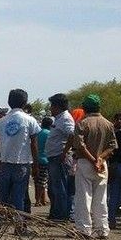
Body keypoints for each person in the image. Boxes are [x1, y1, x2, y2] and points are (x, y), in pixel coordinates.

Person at [0, 89, 40, 235]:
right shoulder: (30, 120)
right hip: (22, 163)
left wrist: (0, 159)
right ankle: (19, 227)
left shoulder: (1, 121)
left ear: (9, 102)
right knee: (19, 196)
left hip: (5, 162)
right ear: (25, 103)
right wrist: (36, 164)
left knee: (2, 195)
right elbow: (33, 144)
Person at [71, 94, 117, 238]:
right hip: (103, 165)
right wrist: (100, 159)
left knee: (84, 197)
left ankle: (83, 229)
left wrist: (93, 160)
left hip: (85, 163)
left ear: (84, 108)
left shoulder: (82, 124)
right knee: (101, 198)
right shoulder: (108, 124)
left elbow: (80, 146)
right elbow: (112, 146)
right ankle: (102, 229)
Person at [45, 93, 75, 221]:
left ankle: (61, 216)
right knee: (54, 188)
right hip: (54, 157)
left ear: (57, 106)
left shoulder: (65, 118)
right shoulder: (58, 118)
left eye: (52, 105)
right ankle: (57, 213)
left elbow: (72, 135)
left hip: (60, 157)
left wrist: (64, 152)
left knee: (60, 188)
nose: (50, 108)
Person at [35, 116, 53, 206]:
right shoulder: (49, 134)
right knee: (42, 182)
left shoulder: (38, 132)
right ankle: (38, 201)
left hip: (37, 159)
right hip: (45, 160)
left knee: (39, 181)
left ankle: (42, 200)